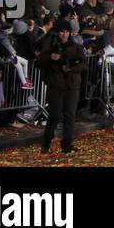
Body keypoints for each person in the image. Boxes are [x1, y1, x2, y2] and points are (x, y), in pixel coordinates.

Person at [35, 23, 86, 154]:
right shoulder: (50, 46)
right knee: (54, 116)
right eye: (62, 32)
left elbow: (84, 64)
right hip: (55, 85)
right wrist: (50, 57)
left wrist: (71, 68)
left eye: (66, 32)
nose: (64, 34)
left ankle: (67, 144)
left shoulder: (76, 47)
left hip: (72, 85)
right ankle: (46, 141)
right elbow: (39, 62)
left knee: (70, 115)